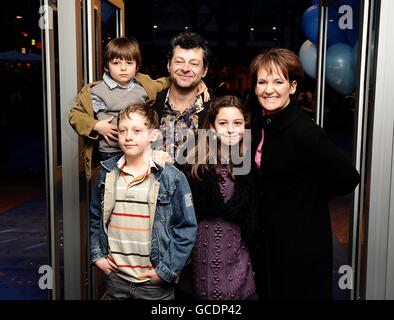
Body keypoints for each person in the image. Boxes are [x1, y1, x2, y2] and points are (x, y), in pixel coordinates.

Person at [248, 48, 360, 299]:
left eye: (278, 81)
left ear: (292, 86)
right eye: (263, 82)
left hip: (301, 242)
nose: (269, 89)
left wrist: (309, 198)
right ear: (255, 87)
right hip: (269, 238)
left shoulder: (305, 131)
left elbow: (348, 177)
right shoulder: (259, 122)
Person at [89, 103, 197, 300]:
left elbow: (186, 228)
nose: (128, 136)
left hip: (153, 284)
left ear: (153, 135)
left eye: (137, 130)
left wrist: (165, 272)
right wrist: (98, 256)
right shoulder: (106, 173)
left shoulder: (171, 177)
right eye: (123, 130)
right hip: (115, 279)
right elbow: (96, 217)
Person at [185, 95, 260, 300]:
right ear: (212, 127)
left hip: (239, 261)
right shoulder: (196, 166)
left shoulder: (251, 166)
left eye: (237, 123)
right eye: (223, 123)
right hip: (202, 261)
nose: (230, 129)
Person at [69, 37, 171, 180]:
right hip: (110, 154)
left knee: (136, 193)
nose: (123, 68)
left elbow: (166, 82)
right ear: (107, 66)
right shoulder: (96, 92)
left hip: (139, 152)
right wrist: (96, 125)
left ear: (137, 66)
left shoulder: (144, 87)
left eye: (129, 63)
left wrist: (198, 84)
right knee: (109, 195)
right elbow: (75, 114)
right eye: (116, 63)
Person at [152, 31, 211, 165]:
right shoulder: (151, 104)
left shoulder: (214, 111)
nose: (185, 68)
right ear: (169, 65)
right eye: (179, 62)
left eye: (194, 64)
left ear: (204, 70)